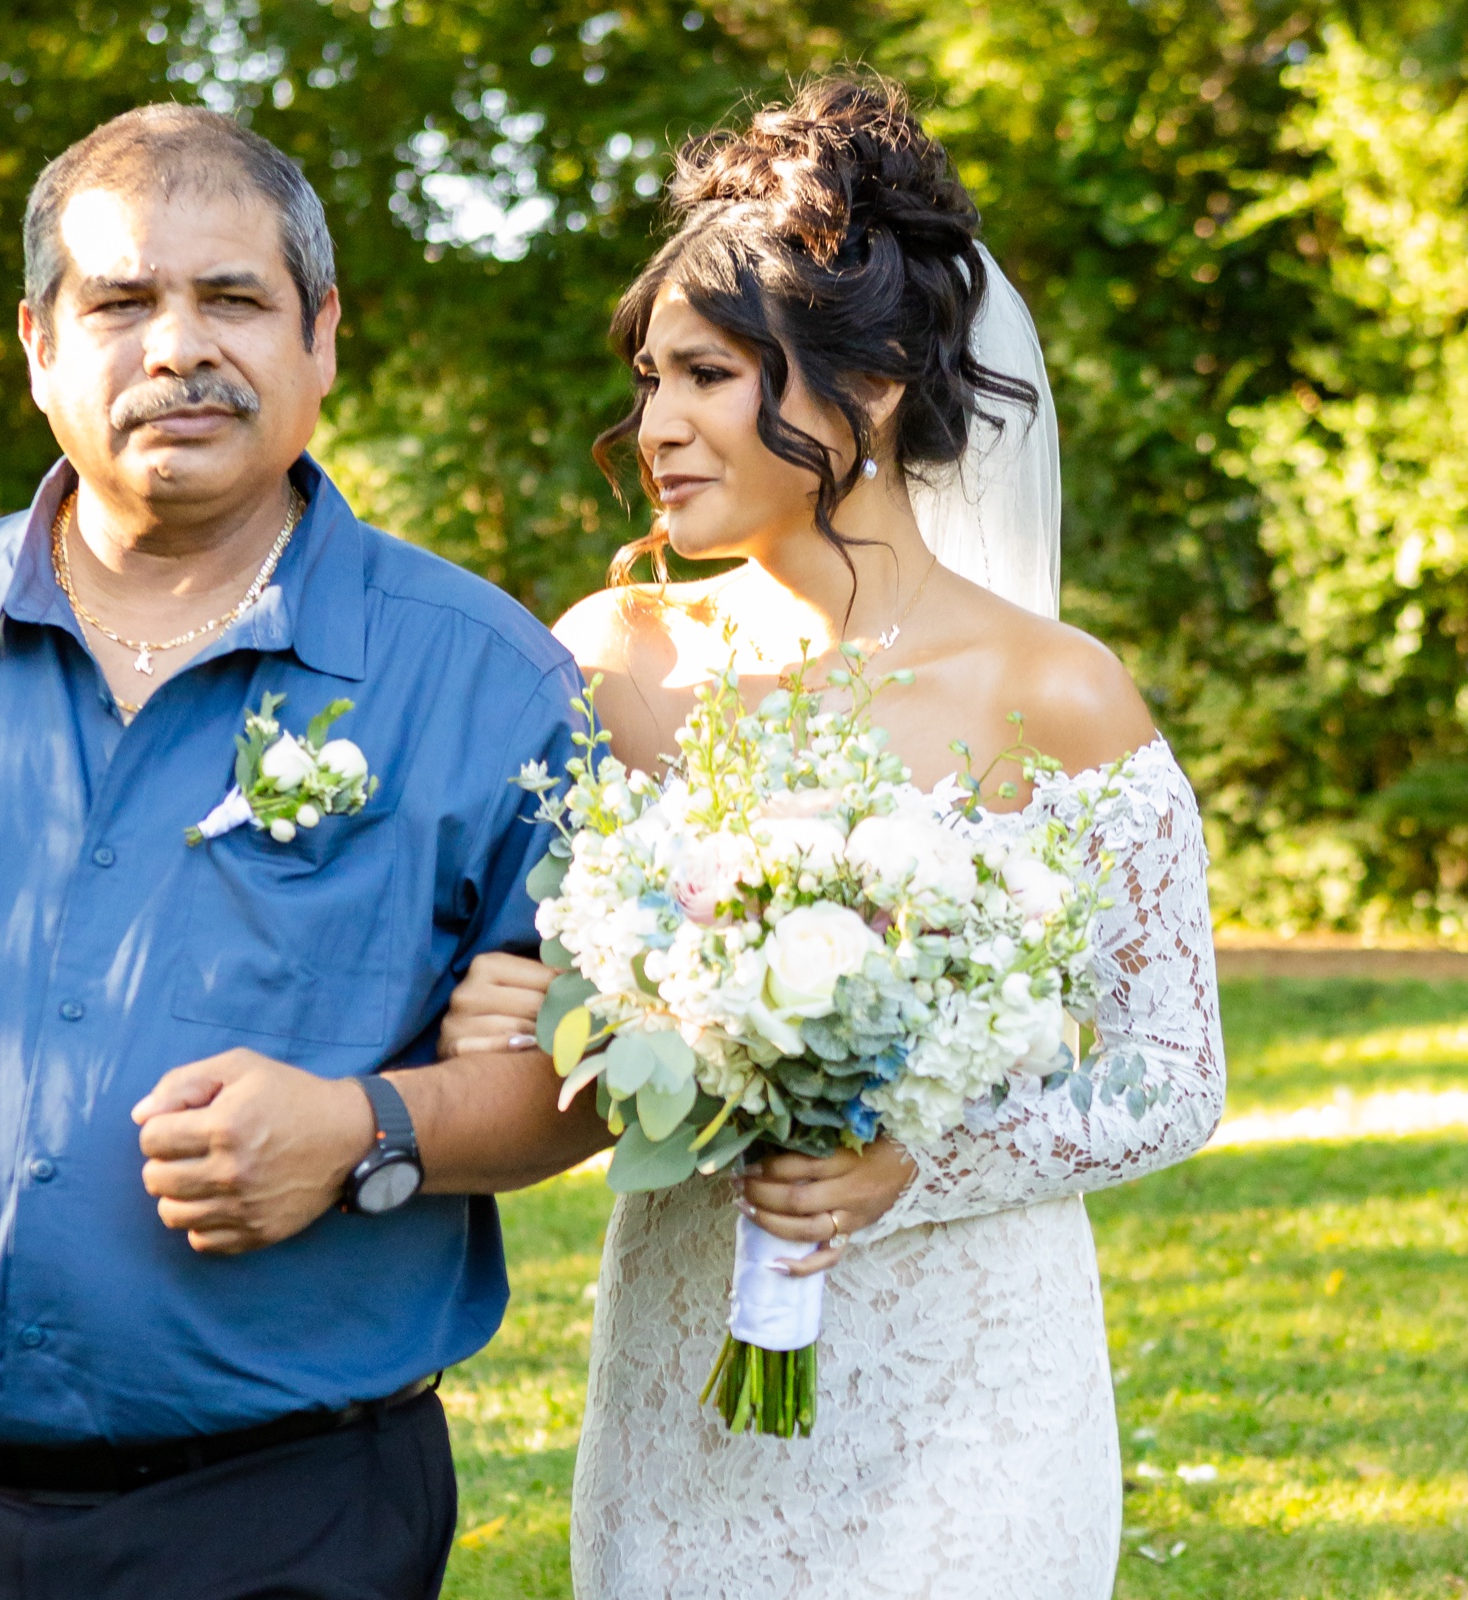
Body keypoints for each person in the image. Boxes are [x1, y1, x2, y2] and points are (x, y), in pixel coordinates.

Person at [0, 104, 607, 1600]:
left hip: (297, 1519)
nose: (177, 348)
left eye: (234, 299)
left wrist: (362, 1128)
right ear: (37, 345)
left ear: (322, 337)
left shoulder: (488, 681)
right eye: (123, 301)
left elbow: (586, 1083)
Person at [436, 77, 1225, 1598]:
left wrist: (910, 1165)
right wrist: (549, 1019)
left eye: (709, 376)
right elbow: (517, 984)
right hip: (687, 1363)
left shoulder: (1053, 693)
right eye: (651, 377)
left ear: (864, 387)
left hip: (976, 1386)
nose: (653, 426)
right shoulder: (610, 659)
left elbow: (1170, 1072)